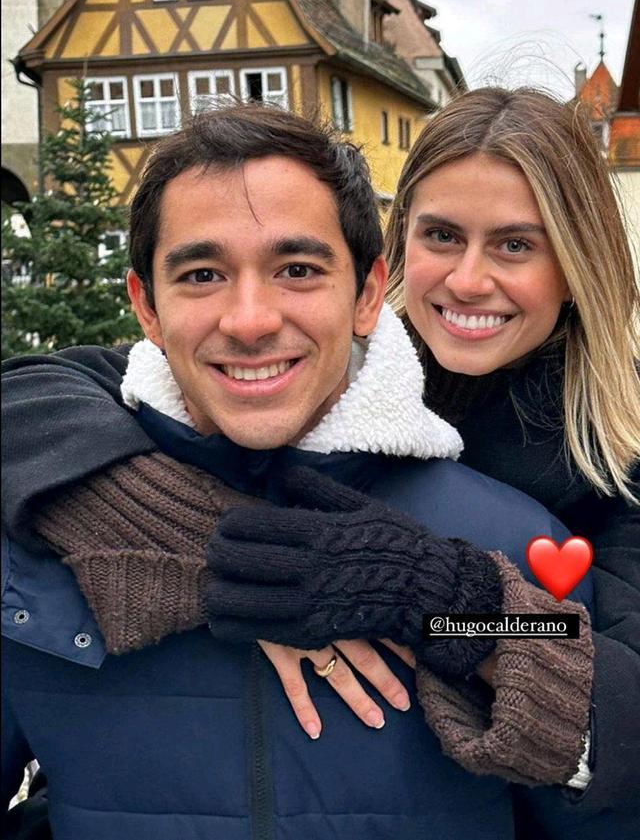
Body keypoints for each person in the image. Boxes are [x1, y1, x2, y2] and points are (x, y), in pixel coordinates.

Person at [0, 105, 616, 839]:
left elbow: (594, 747)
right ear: (147, 307)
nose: (251, 320)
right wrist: (186, 534)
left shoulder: (516, 532)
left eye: (297, 270)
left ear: (366, 294)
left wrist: (438, 607)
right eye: (202, 274)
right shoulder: (44, 514)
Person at [383, 86, 640, 825]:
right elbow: (90, 385)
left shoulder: (622, 447)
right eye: (441, 236)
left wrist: (440, 609)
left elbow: (619, 696)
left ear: (576, 264)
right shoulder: (331, 376)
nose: (467, 280)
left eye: (515, 245)